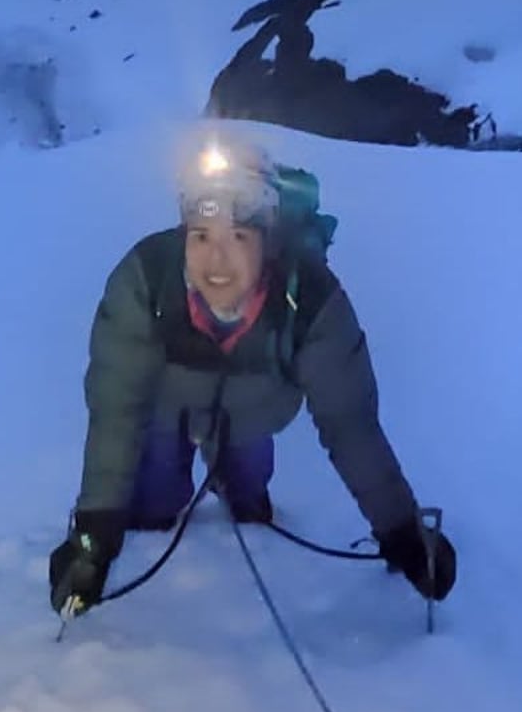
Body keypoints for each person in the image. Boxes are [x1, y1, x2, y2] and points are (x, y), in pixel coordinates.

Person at [49, 129, 456, 617]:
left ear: (267, 243)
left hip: (252, 418)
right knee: (153, 509)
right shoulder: (144, 280)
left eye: (238, 236)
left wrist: (401, 531)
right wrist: (95, 533)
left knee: (249, 502)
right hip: (166, 413)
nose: (216, 260)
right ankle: (166, 496)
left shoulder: (310, 300)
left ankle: (235, 487)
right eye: (201, 236)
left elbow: (349, 424)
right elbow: (116, 408)